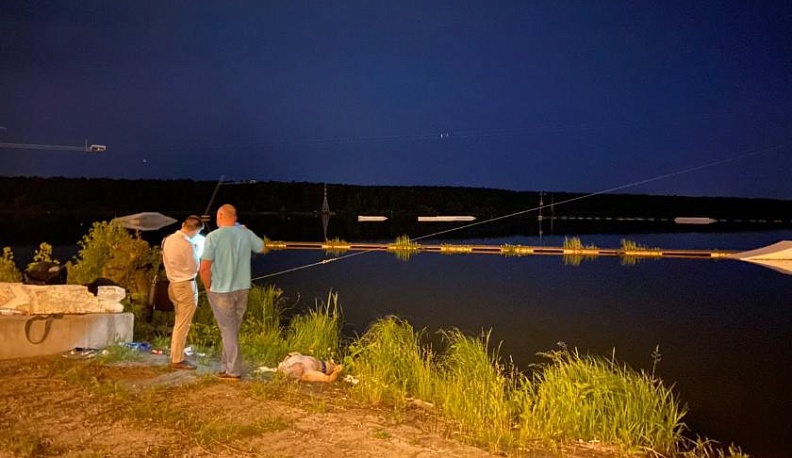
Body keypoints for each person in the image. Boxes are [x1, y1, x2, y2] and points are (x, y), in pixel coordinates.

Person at [199, 204, 265, 380]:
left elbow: (204, 267)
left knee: (227, 329)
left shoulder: (213, 236)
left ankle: (233, 370)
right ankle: (225, 366)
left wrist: (207, 286)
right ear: (235, 217)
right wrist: (245, 231)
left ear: (220, 215)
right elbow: (261, 247)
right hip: (242, 288)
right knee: (231, 329)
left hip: (221, 290)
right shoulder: (245, 233)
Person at [161, 214, 204, 370]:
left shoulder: (167, 239)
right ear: (195, 230)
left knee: (178, 322)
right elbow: (194, 268)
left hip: (172, 285)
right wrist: (197, 252)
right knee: (183, 324)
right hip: (185, 286)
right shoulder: (188, 245)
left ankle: (175, 354)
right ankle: (177, 359)